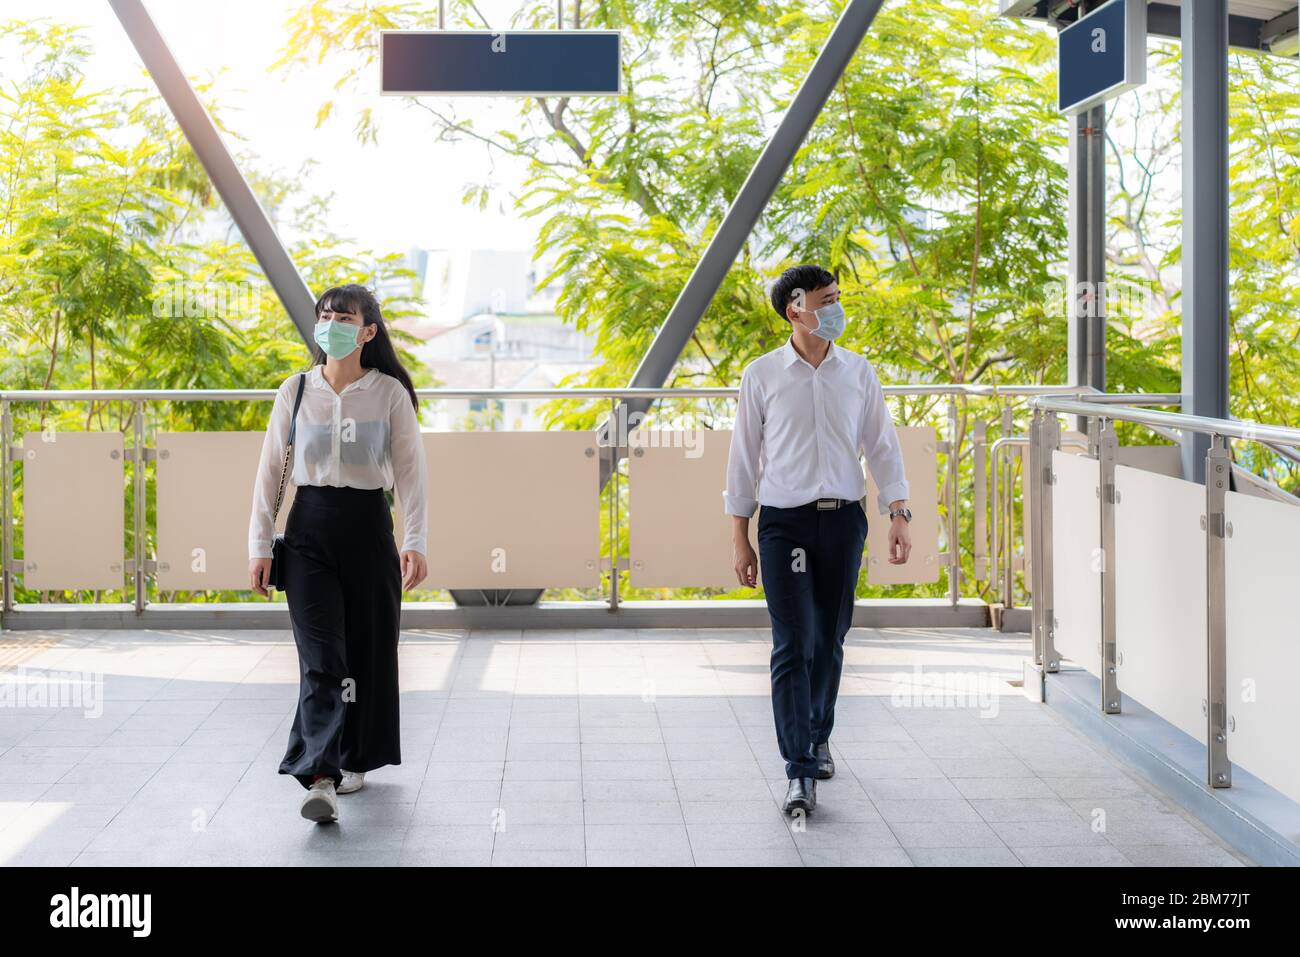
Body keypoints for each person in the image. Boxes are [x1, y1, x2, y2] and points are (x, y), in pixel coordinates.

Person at [725, 264, 912, 816]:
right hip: (785, 525)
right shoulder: (761, 375)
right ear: (796, 309)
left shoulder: (858, 372)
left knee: (829, 639)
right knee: (793, 643)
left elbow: (883, 445)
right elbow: (742, 460)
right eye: (827, 300)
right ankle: (799, 768)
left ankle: (817, 733)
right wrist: (741, 537)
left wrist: (898, 511)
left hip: (843, 521)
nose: (836, 307)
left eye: (838, 297)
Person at [247, 284, 429, 824]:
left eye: (343, 316)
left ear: (368, 330)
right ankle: (320, 774)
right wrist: (260, 543)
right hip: (309, 534)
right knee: (322, 656)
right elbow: (269, 473)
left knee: (370, 650)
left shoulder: (389, 393)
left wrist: (414, 540)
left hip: (369, 527)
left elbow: (412, 476)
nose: (331, 323)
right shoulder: (296, 391)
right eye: (325, 315)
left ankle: (355, 757)